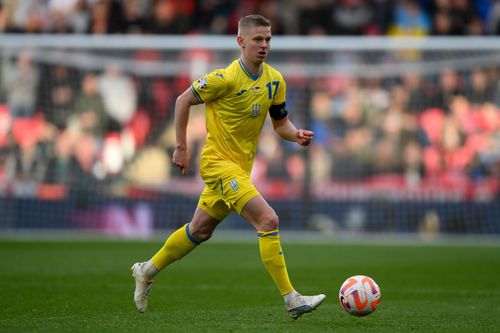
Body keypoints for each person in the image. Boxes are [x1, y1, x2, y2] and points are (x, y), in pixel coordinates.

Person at [131, 14, 325, 319]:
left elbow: (281, 124)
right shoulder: (224, 79)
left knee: (200, 230)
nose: (264, 45)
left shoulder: (275, 80)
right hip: (217, 164)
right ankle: (292, 299)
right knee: (268, 220)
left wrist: (296, 134)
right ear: (241, 42)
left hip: (240, 167)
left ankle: (146, 270)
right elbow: (183, 101)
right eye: (258, 39)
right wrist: (181, 147)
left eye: (268, 39)